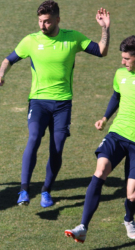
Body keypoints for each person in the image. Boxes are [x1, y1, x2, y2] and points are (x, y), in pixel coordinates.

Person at [0, 1, 110, 207]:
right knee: (34, 137)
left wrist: (104, 29)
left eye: (47, 21)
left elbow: (101, 51)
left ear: (57, 20)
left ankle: (46, 190)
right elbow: (8, 59)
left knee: (56, 149)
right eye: (40, 21)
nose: (42, 25)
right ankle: (23, 190)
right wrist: (1, 75)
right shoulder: (31, 40)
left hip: (63, 105)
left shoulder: (72, 37)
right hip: (38, 102)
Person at [65, 35, 135, 243]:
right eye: (122, 58)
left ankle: (129, 219)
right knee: (100, 169)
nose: (122, 62)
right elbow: (116, 96)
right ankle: (83, 227)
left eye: (127, 59)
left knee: (132, 195)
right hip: (117, 133)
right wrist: (105, 118)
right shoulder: (120, 74)